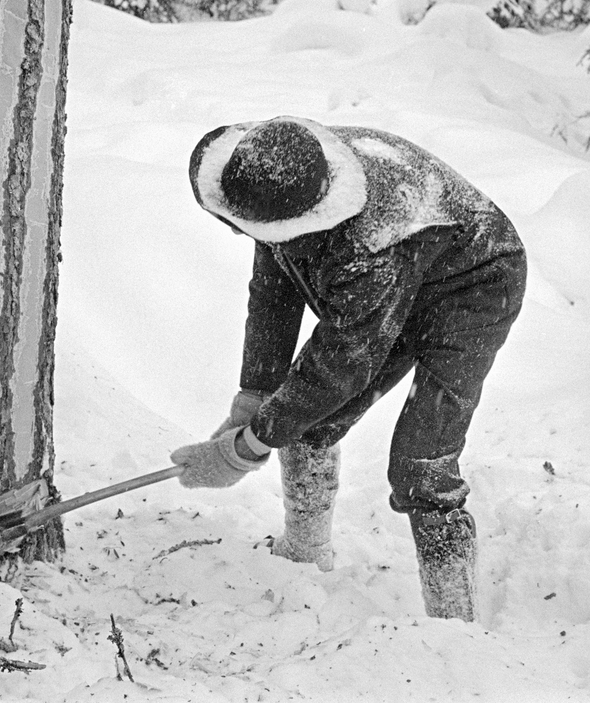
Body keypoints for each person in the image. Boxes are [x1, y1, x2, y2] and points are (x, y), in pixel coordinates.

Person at [170, 116, 526, 622]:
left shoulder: (364, 243)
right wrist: (253, 401)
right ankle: (303, 557)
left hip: (473, 280)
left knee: (420, 463)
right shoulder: (277, 181)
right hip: (400, 273)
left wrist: (248, 446)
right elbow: (274, 295)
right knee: (305, 418)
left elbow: (342, 361)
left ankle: (453, 624)